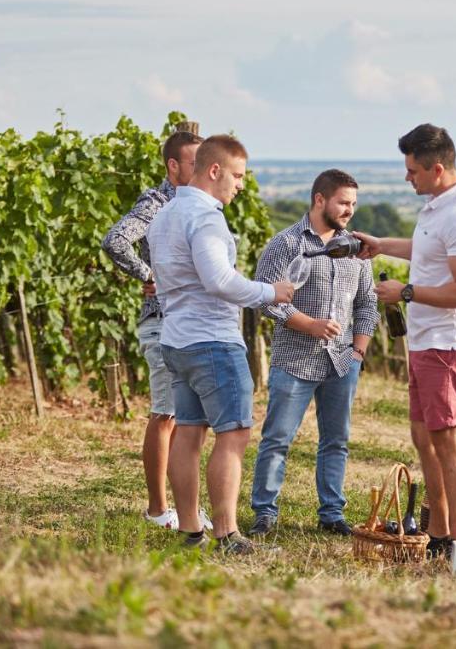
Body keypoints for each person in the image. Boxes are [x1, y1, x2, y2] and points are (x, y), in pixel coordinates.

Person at [146, 134, 294, 554]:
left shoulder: (166, 214)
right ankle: (227, 534)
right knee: (234, 434)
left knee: (189, 433)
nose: (241, 185)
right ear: (215, 171)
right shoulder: (206, 217)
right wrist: (271, 292)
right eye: (238, 175)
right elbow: (219, 281)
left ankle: (190, 529)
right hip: (212, 340)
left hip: (176, 339)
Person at [354, 124, 456, 558]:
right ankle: (440, 530)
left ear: (436, 167)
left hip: (449, 344)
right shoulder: (438, 206)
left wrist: (405, 292)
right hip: (426, 339)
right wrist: (382, 246)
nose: (407, 178)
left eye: (413, 171)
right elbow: (428, 249)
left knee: (448, 441)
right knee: (423, 436)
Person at [249, 169, 379, 537]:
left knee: (336, 441)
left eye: (354, 203)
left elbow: (368, 303)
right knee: (277, 439)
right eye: (343, 202)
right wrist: (309, 324)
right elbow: (265, 298)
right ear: (320, 199)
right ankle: (264, 512)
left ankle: (332, 513)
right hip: (294, 361)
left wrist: (358, 351)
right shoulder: (286, 244)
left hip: (342, 362)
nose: (349, 210)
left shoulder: (356, 248)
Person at [101, 129, 207, 530]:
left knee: (186, 418)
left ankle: (184, 508)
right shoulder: (158, 202)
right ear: (173, 166)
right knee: (166, 414)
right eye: (194, 163)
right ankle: (158, 509)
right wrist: (149, 274)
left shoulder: (197, 204)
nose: (201, 171)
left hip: (188, 319)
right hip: (162, 320)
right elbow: (115, 241)